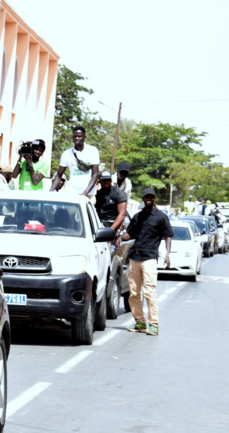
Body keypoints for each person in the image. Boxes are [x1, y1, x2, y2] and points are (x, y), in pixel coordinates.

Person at [114, 187, 173, 336]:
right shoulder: (138, 216)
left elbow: (168, 236)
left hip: (149, 258)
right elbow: (130, 233)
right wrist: (120, 237)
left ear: (154, 199)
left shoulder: (160, 217)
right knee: (133, 292)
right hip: (135, 257)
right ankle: (139, 322)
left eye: (151, 197)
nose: (148, 199)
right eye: (146, 197)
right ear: (143, 198)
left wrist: (167, 254)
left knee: (149, 292)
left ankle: (154, 324)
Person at [55, 125, 100, 199]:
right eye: (74, 136)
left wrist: (85, 193)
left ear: (84, 137)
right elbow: (59, 175)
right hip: (72, 194)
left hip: (88, 194)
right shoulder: (66, 153)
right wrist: (50, 192)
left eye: (79, 136)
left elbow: (95, 174)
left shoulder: (92, 151)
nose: (76, 138)